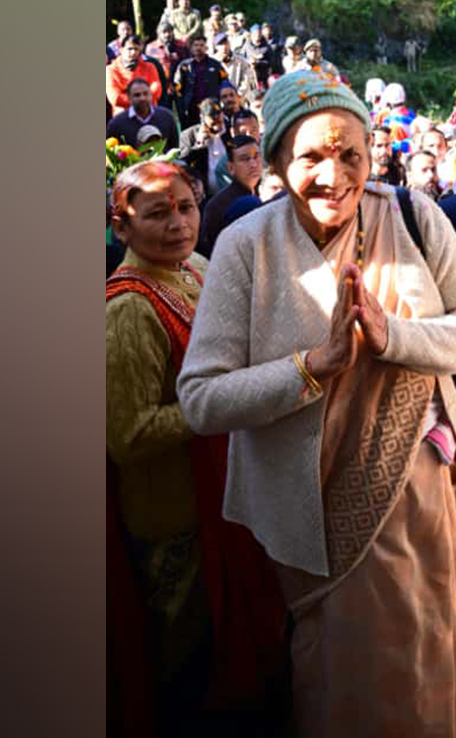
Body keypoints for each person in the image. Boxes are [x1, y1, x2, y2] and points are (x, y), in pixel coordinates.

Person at [177, 68, 456, 738]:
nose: (336, 175)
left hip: (422, 494)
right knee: (346, 669)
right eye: (312, 157)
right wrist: (311, 368)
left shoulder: (413, 216)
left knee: (431, 644)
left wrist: (398, 337)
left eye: (351, 154)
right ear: (275, 163)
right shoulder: (245, 247)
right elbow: (200, 399)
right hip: (313, 514)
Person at [106, 161, 288, 731]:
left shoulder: (198, 269)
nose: (178, 223)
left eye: (185, 207)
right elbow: (127, 434)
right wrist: (225, 399)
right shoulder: (128, 310)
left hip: (226, 496)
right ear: (122, 227)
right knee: (193, 670)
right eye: (157, 213)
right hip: (176, 521)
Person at [196, 133, 264, 258]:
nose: (253, 164)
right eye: (245, 159)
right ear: (231, 168)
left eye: (256, 156)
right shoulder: (219, 205)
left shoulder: (266, 191)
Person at [108, 79, 180, 150]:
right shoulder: (117, 124)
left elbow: (174, 148)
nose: (142, 98)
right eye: (137, 95)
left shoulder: (166, 117)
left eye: (145, 94)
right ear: (129, 98)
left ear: (151, 95)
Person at [172, 33, 224, 126]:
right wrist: (181, 106)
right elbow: (177, 88)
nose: (198, 48)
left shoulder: (215, 65)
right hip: (190, 108)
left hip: (211, 107)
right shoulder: (184, 66)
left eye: (201, 45)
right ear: (191, 48)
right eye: (196, 45)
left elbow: (224, 83)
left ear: (206, 47)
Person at [108, 36, 163, 114]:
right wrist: (143, 99)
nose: (133, 52)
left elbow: (157, 90)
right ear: (121, 49)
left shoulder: (150, 67)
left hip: (148, 113)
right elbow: (115, 98)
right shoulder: (111, 70)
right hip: (123, 116)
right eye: (129, 49)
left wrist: (136, 99)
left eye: (136, 49)